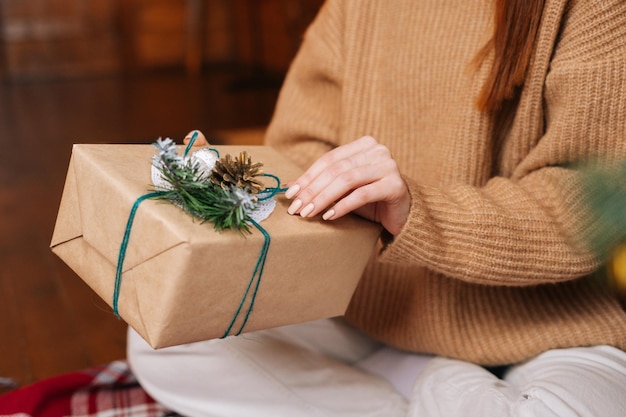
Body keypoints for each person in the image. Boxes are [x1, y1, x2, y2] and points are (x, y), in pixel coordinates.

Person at [127, 0, 626, 416]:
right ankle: (426, 382)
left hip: (551, 331)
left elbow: (593, 202)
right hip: (361, 308)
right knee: (159, 337)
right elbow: (300, 145)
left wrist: (419, 212)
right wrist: (247, 191)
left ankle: (407, 385)